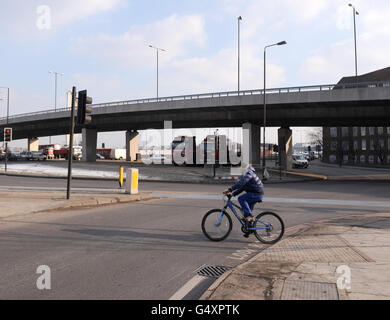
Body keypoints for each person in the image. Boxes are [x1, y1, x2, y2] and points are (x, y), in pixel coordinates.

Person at [224, 164, 264, 237]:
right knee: (246, 212)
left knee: (241, 199)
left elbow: (241, 183)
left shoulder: (249, 173)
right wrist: (232, 194)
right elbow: (242, 187)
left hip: (256, 194)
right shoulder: (247, 173)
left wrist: (230, 189)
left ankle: (249, 215)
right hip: (255, 193)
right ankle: (250, 229)